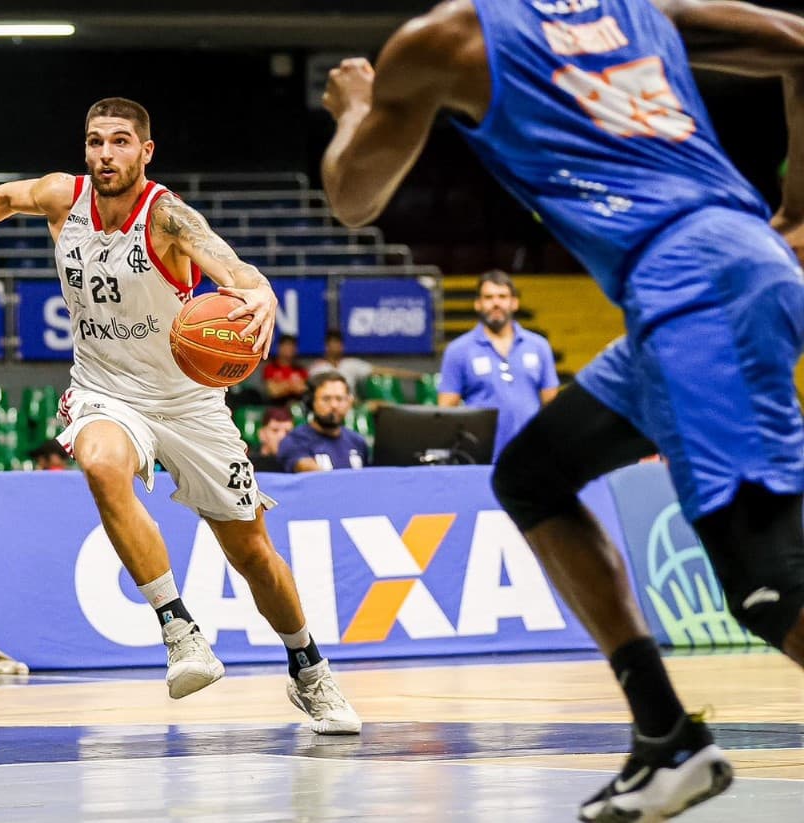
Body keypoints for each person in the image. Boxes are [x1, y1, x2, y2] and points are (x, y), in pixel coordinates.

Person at [321, 1, 804, 818]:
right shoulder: (639, 8)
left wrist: (356, 110)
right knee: (533, 475)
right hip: (702, 278)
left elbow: (353, 198)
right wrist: (794, 212)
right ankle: (666, 736)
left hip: (694, 290)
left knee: (769, 583)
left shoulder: (450, 38)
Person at [0, 97, 360, 734]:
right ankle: (179, 629)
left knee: (252, 554)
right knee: (102, 464)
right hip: (105, 389)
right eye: (96, 141)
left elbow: (232, 265)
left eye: (121, 141)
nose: (106, 153)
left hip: (189, 400)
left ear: (145, 151)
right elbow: (0, 198)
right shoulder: (63, 198)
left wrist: (260, 291)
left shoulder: (167, 217)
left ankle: (308, 667)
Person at [438, 270, 559, 460]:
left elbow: (551, 402)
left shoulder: (539, 346)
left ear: (514, 302)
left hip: (531, 456)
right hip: (480, 458)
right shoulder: (458, 350)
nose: (496, 303)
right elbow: (446, 409)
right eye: (488, 297)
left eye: (502, 296)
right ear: (478, 304)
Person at [278, 372, 369, 472]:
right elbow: (307, 470)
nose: (334, 405)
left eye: (339, 399)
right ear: (311, 402)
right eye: (326, 399)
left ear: (349, 402)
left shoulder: (357, 441)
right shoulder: (295, 440)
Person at [307, 329, 373, 396]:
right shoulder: (317, 367)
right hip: (327, 400)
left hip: (350, 401)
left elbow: (374, 370)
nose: (337, 346)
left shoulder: (351, 363)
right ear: (326, 346)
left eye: (339, 343)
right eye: (333, 343)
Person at [261, 333, 309, 405]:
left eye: (292, 346)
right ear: (279, 347)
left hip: (298, 405)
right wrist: (293, 385)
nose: (289, 349)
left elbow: (304, 389)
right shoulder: (270, 368)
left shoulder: (301, 369)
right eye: (286, 345)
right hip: (276, 406)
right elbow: (273, 392)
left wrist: (282, 386)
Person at [248, 405, 294, 474]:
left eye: (287, 432)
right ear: (262, 434)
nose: (282, 436)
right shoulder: (248, 464)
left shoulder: (296, 464)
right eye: (275, 430)